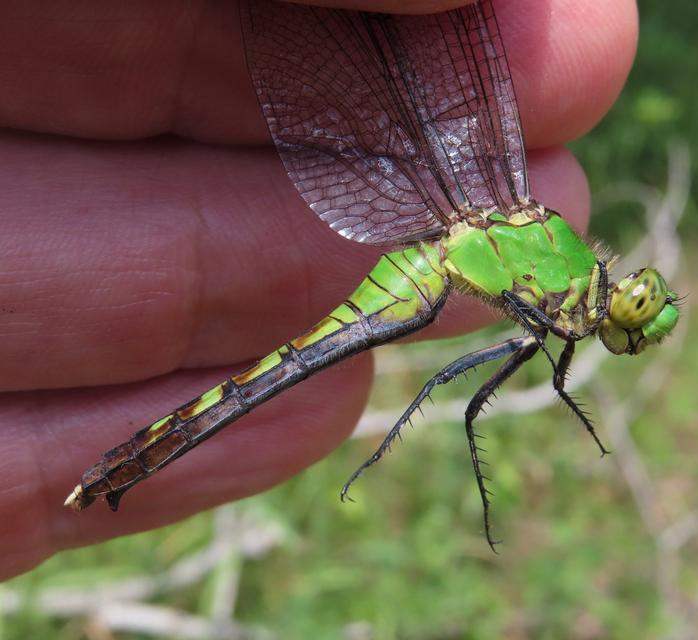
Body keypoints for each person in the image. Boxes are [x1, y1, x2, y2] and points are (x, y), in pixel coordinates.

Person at [0, 0, 638, 580]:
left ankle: (119, 472)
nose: (632, 314)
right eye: (638, 305)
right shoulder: (559, 283)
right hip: (435, 263)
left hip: (445, 253)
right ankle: (121, 468)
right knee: (363, 386)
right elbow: (493, 387)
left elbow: (539, 376)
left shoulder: (558, 292)